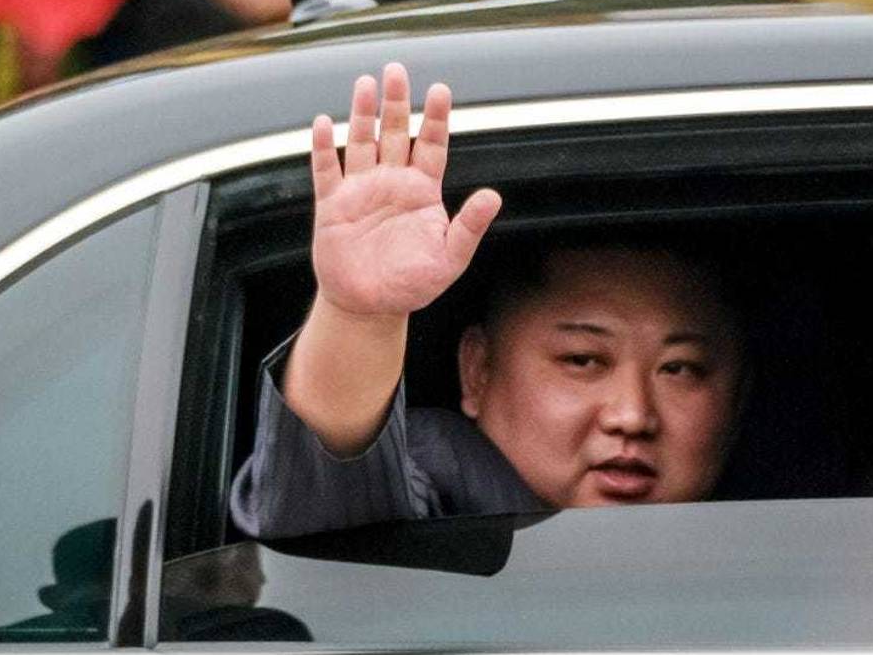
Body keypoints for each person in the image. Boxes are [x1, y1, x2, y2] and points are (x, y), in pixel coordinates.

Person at [230, 63, 746, 539]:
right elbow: (323, 514)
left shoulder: (785, 546)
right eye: (583, 360)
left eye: (680, 369)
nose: (632, 415)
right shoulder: (440, 487)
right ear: (477, 369)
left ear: (741, 392)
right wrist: (360, 318)